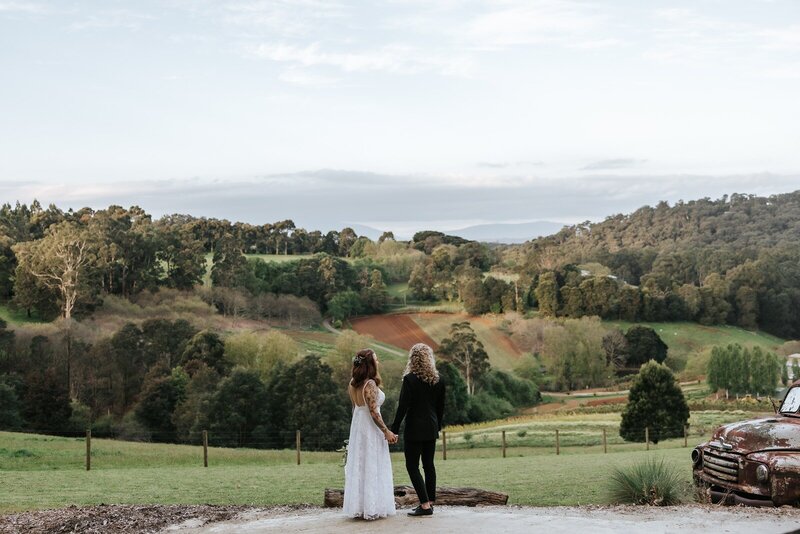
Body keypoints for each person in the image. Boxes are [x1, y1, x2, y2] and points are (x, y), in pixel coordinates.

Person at [391, 343, 445, 517]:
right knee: (429, 465)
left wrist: (394, 428)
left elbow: (403, 407)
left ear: (413, 359)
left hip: (414, 428)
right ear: (429, 358)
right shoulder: (438, 379)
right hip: (431, 427)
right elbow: (440, 407)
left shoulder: (410, 379)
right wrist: (438, 425)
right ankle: (430, 502)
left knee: (412, 466)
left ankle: (425, 505)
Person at [343, 348, 398, 520]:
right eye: (376, 359)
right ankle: (372, 507)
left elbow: (356, 408)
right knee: (373, 464)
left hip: (358, 427)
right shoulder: (370, 384)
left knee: (361, 465)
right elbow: (374, 412)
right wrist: (386, 431)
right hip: (370, 429)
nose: (378, 362)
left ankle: (360, 506)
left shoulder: (353, 383)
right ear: (370, 364)